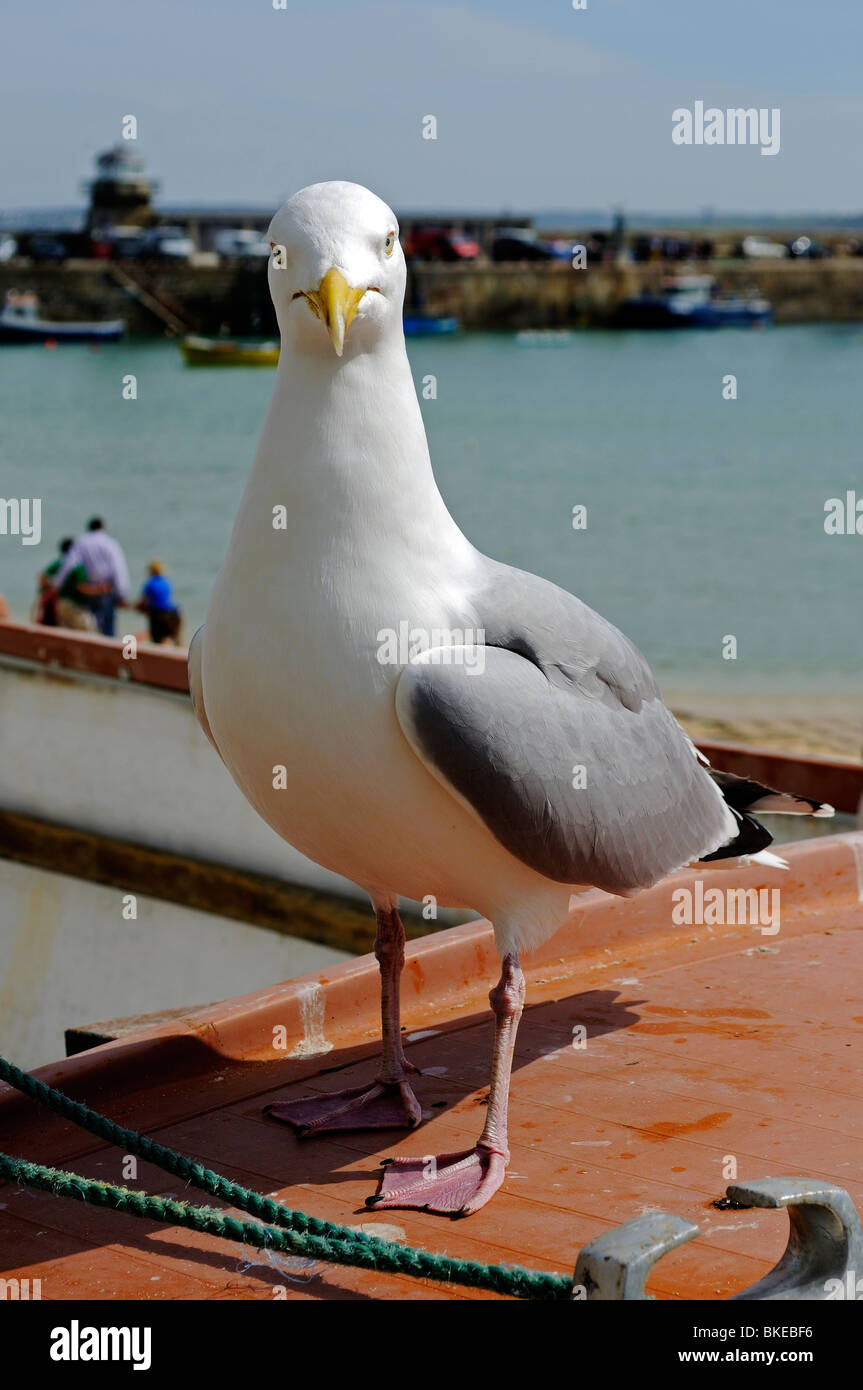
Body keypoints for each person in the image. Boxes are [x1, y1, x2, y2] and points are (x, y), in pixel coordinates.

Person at [49, 518, 130, 636]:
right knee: (108, 627)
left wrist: (57, 585)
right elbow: (118, 568)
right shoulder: (110, 543)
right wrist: (122, 593)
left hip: (88, 590)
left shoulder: (81, 542)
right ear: (103, 528)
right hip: (106, 589)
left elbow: (68, 564)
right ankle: (108, 652)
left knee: (91, 626)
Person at [36, 538, 98, 631]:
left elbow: (43, 576)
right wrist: (99, 590)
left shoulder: (60, 563)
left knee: (64, 630)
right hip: (74, 605)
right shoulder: (77, 566)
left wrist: (47, 590)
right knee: (86, 630)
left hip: (59, 603)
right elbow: (81, 586)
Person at [135, 560, 182, 645]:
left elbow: (143, 602)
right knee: (174, 640)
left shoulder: (150, 583)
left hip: (158, 615)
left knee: (157, 642)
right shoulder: (166, 582)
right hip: (172, 613)